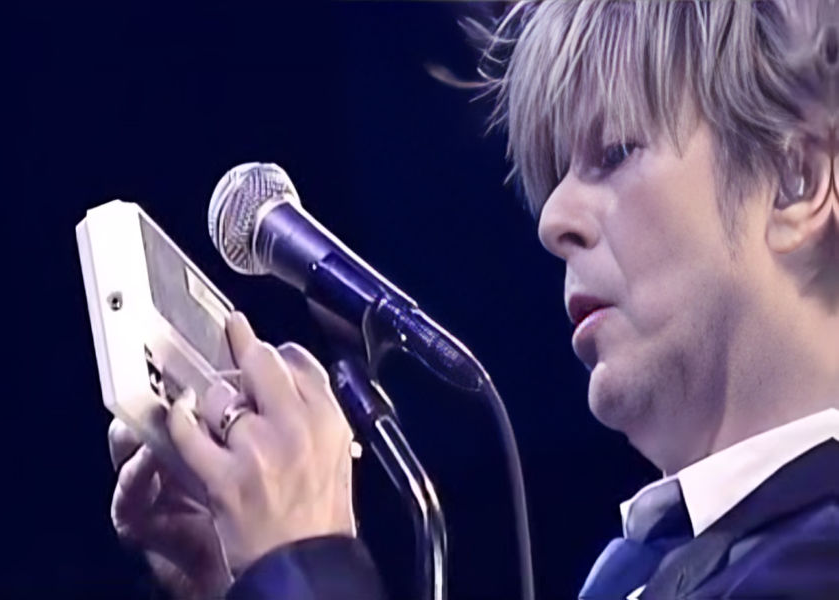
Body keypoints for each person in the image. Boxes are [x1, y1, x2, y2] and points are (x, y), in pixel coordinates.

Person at [107, 1, 839, 598]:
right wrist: (250, 575)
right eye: (556, 173)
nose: (554, 218)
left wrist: (304, 565)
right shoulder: (644, 571)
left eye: (614, 152)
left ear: (797, 181)